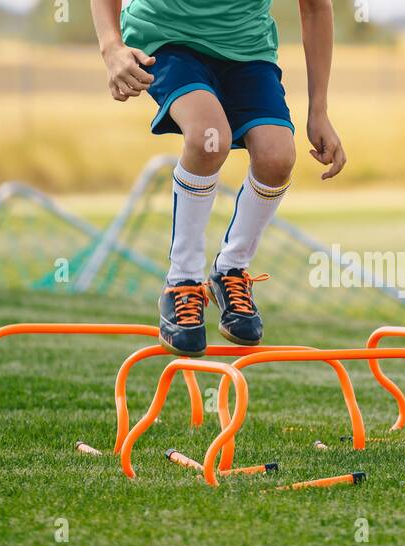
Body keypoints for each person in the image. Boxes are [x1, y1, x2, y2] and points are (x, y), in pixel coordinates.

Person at [91, 0, 346, 357]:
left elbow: (316, 9)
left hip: (246, 50)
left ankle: (230, 270)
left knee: (277, 156)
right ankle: (182, 281)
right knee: (209, 138)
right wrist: (111, 46)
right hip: (167, 39)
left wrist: (318, 109)